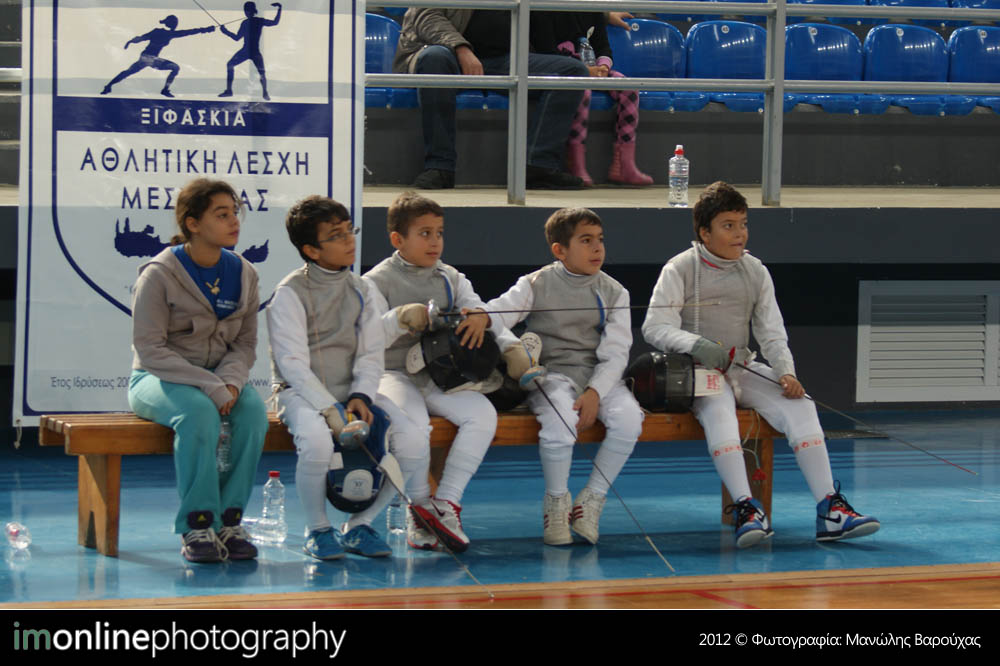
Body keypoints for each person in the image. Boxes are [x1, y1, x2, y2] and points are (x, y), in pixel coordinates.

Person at [642, 182, 880, 548]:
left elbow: (771, 331)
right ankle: (745, 508)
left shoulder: (755, 271)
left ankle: (830, 510)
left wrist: (786, 372)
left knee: (801, 405)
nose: (739, 233)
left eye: (743, 224)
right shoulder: (681, 268)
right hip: (696, 374)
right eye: (728, 225)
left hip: (742, 367)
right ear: (705, 232)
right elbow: (655, 326)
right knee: (720, 410)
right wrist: (698, 345)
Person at [128, 178, 268, 563]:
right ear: (192, 224)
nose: (233, 221)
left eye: (234, 213)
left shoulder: (245, 273)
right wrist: (209, 384)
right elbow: (150, 349)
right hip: (158, 378)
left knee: (254, 414)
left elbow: (245, 344)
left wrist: (231, 381)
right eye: (221, 215)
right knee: (198, 413)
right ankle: (198, 522)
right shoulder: (159, 274)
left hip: (222, 380)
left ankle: (230, 521)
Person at [485, 208, 644, 546]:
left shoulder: (614, 291)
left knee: (630, 419)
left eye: (600, 240)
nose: (597, 248)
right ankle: (557, 502)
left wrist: (595, 392)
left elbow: (617, 353)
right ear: (560, 250)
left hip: (599, 378)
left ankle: (591, 500)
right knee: (560, 423)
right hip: (552, 375)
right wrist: (512, 348)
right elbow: (496, 314)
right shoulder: (535, 283)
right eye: (586, 241)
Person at [362, 192, 500, 552]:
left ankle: (446, 504)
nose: (435, 241)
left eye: (439, 233)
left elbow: (477, 306)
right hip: (393, 374)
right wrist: (399, 319)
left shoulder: (450, 277)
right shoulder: (376, 281)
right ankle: (420, 508)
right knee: (417, 429)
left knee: (482, 415)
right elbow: (368, 337)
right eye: (424, 233)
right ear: (398, 239)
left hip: (438, 376)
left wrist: (480, 317)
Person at [267, 196, 399, 560]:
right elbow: (292, 364)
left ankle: (360, 525)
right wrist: (329, 409)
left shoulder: (362, 288)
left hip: (352, 391)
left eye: (348, 230)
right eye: (336, 235)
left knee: (412, 437)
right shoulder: (289, 293)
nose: (348, 240)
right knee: (317, 442)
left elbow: (371, 352)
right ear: (311, 250)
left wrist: (361, 395)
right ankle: (318, 529)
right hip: (300, 394)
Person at [393, 9, 590, 190]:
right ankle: (440, 166)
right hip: (447, 53)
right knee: (434, 57)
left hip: (501, 60)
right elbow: (427, 17)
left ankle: (538, 165)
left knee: (573, 71)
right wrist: (461, 48)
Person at [530, 11, 653, 186]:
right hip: (567, 72)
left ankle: (623, 165)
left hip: (595, 71)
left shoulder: (594, 11)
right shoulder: (546, 12)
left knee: (629, 88)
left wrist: (603, 67)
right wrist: (585, 71)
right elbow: (547, 51)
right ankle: (576, 163)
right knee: (582, 90)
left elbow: (603, 47)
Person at [101, 15, 215, 97]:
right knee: (175, 68)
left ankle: (108, 86)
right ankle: (165, 90)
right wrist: (206, 30)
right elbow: (189, 32)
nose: (176, 25)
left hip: (145, 57)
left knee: (128, 72)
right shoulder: (169, 33)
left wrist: (130, 42)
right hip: (151, 59)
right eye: (175, 23)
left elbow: (141, 38)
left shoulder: (158, 31)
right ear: (173, 24)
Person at [219, 2, 282, 100]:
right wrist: (279, 9)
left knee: (230, 65)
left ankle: (229, 91)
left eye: (246, 10)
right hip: (254, 51)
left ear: (248, 11)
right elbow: (275, 22)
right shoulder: (259, 21)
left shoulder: (246, 22)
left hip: (246, 50)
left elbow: (236, 38)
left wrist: (225, 31)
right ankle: (265, 93)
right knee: (262, 73)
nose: (245, 12)